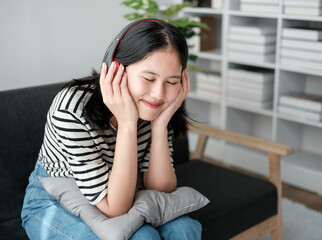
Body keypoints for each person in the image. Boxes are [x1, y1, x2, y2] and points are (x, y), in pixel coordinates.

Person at [21, 19, 202, 239]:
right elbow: (115, 207)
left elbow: (160, 189)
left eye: (172, 82)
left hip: (124, 191)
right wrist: (127, 124)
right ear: (117, 69)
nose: (158, 94)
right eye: (148, 78)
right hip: (55, 198)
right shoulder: (71, 108)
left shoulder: (154, 108)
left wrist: (160, 125)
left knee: (185, 230)